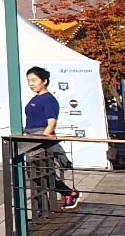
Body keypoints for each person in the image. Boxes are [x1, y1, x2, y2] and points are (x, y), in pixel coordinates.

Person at [25, 66, 82, 209]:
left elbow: (51, 123)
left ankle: (69, 193)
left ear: (44, 81)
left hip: (40, 139)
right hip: (30, 138)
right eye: (28, 81)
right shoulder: (35, 98)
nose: (31, 83)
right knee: (34, 174)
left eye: (34, 80)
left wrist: (42, 140)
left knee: (41, 174)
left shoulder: (49, 100)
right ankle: (42, 206)